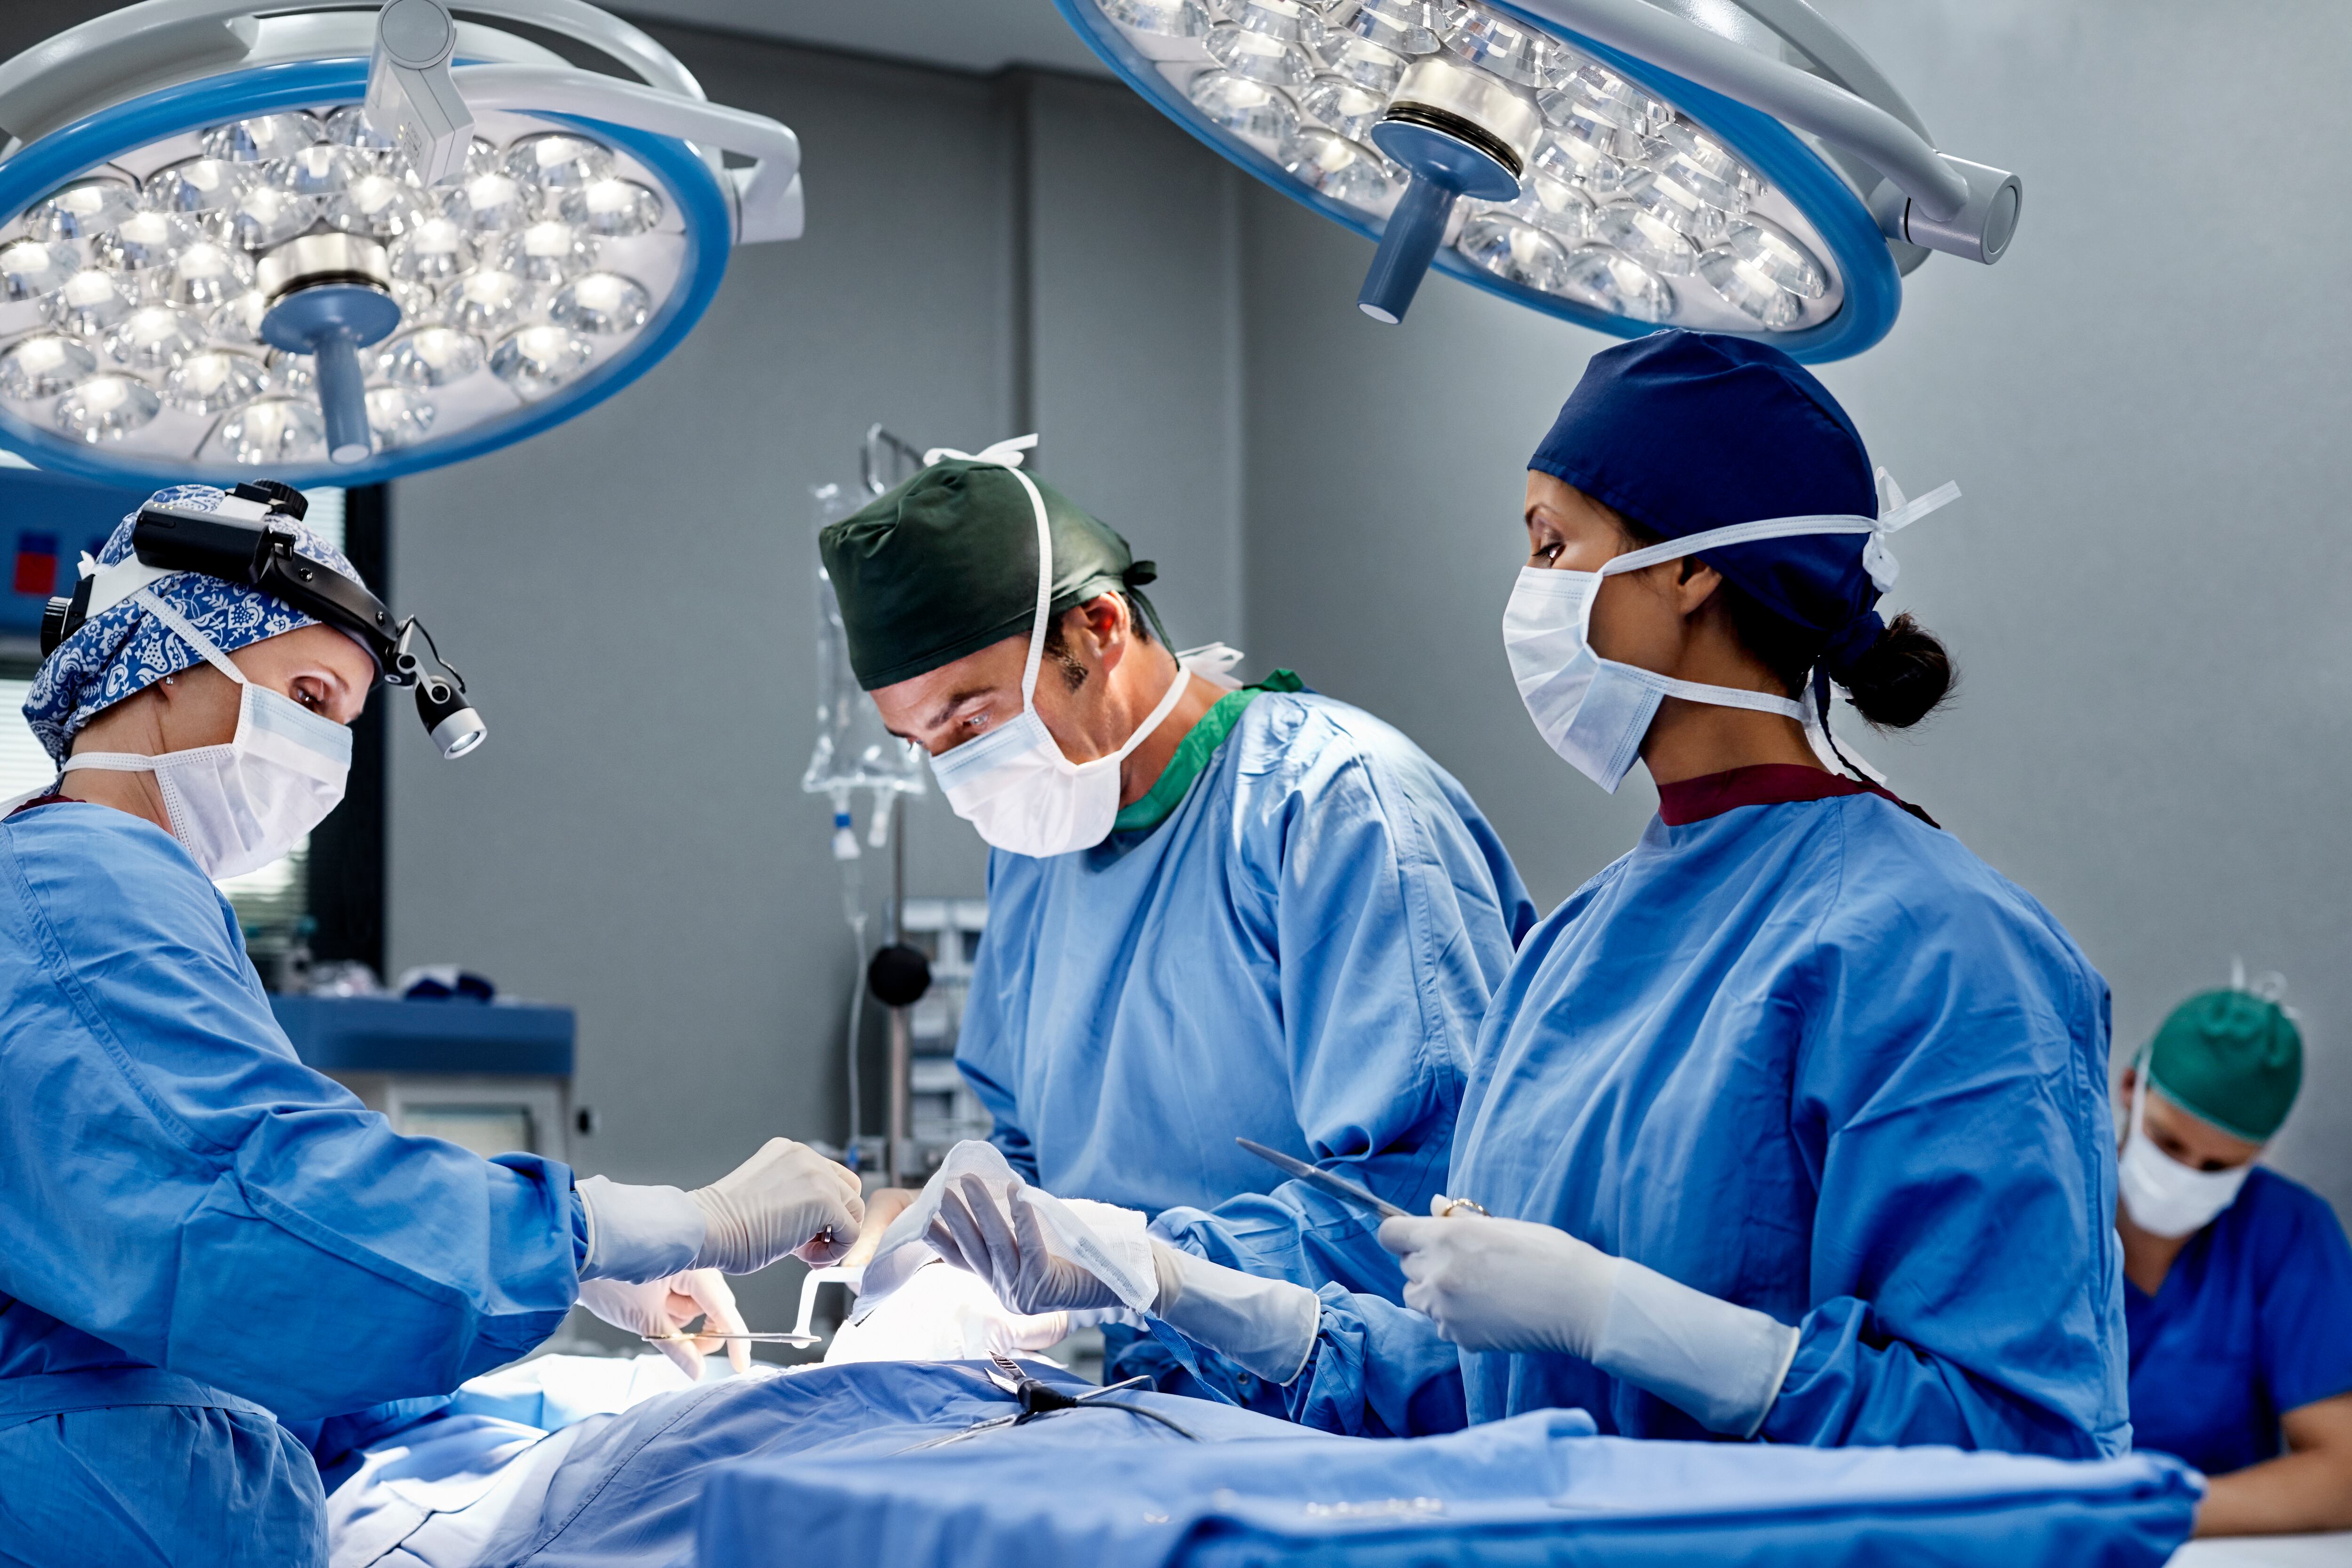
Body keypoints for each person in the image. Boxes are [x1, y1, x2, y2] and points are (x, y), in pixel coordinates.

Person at [922, 332, 2130, 1457]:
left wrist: (1631, 1320)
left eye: (1554, 546)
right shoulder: (1576, 949)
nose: (1526, 589)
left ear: (1695, 567)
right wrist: (1189, 1288)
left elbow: (2025, 1447)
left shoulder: (1942, 951)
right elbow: (1491, 1398)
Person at [0, 484, 865, 1568]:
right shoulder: (77, 882)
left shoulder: (120, 895)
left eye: (346, 724)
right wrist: (645, 1224)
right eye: (307, 696)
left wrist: (544, 1365)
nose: (324, 755)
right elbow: (259, 1213)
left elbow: (211, 1325)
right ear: (163, 666)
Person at [819, 436, 1533, 1401]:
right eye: (919, 740)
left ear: (1099, 628)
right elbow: (1028, 1152)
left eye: (971, 717)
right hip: (1157, 1407)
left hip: (1364, 1411)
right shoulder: (1038, 851)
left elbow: (1425, 1200)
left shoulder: (1331, 806)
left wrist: (1140, 1262)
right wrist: (958, 1250)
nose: (954, 772)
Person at [2113, 984, 2352, 1536]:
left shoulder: (2285, 1234)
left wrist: (2138, 1514)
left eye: (2217, 1167)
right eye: (2168, 1145)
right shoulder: (2049, 1217)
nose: (2183, 1179)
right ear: (2130, 1086)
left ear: (2260, 1151)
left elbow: (2342, 1473)